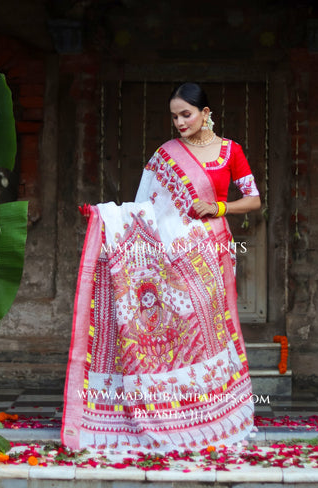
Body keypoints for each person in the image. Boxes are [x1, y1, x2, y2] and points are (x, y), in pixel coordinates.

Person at [62, 82, 261, 452]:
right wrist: (107, 218)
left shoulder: (230, 151)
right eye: (174, 116)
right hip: (170, 255)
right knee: (180, 328)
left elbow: (253, 200)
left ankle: (219, 413)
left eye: (186, 114)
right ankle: (177, 412)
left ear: (205, 113)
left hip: (213, 249)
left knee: (213, 329)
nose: (180, 122)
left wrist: (219, 208)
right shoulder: (165, 155)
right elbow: (146, 211)